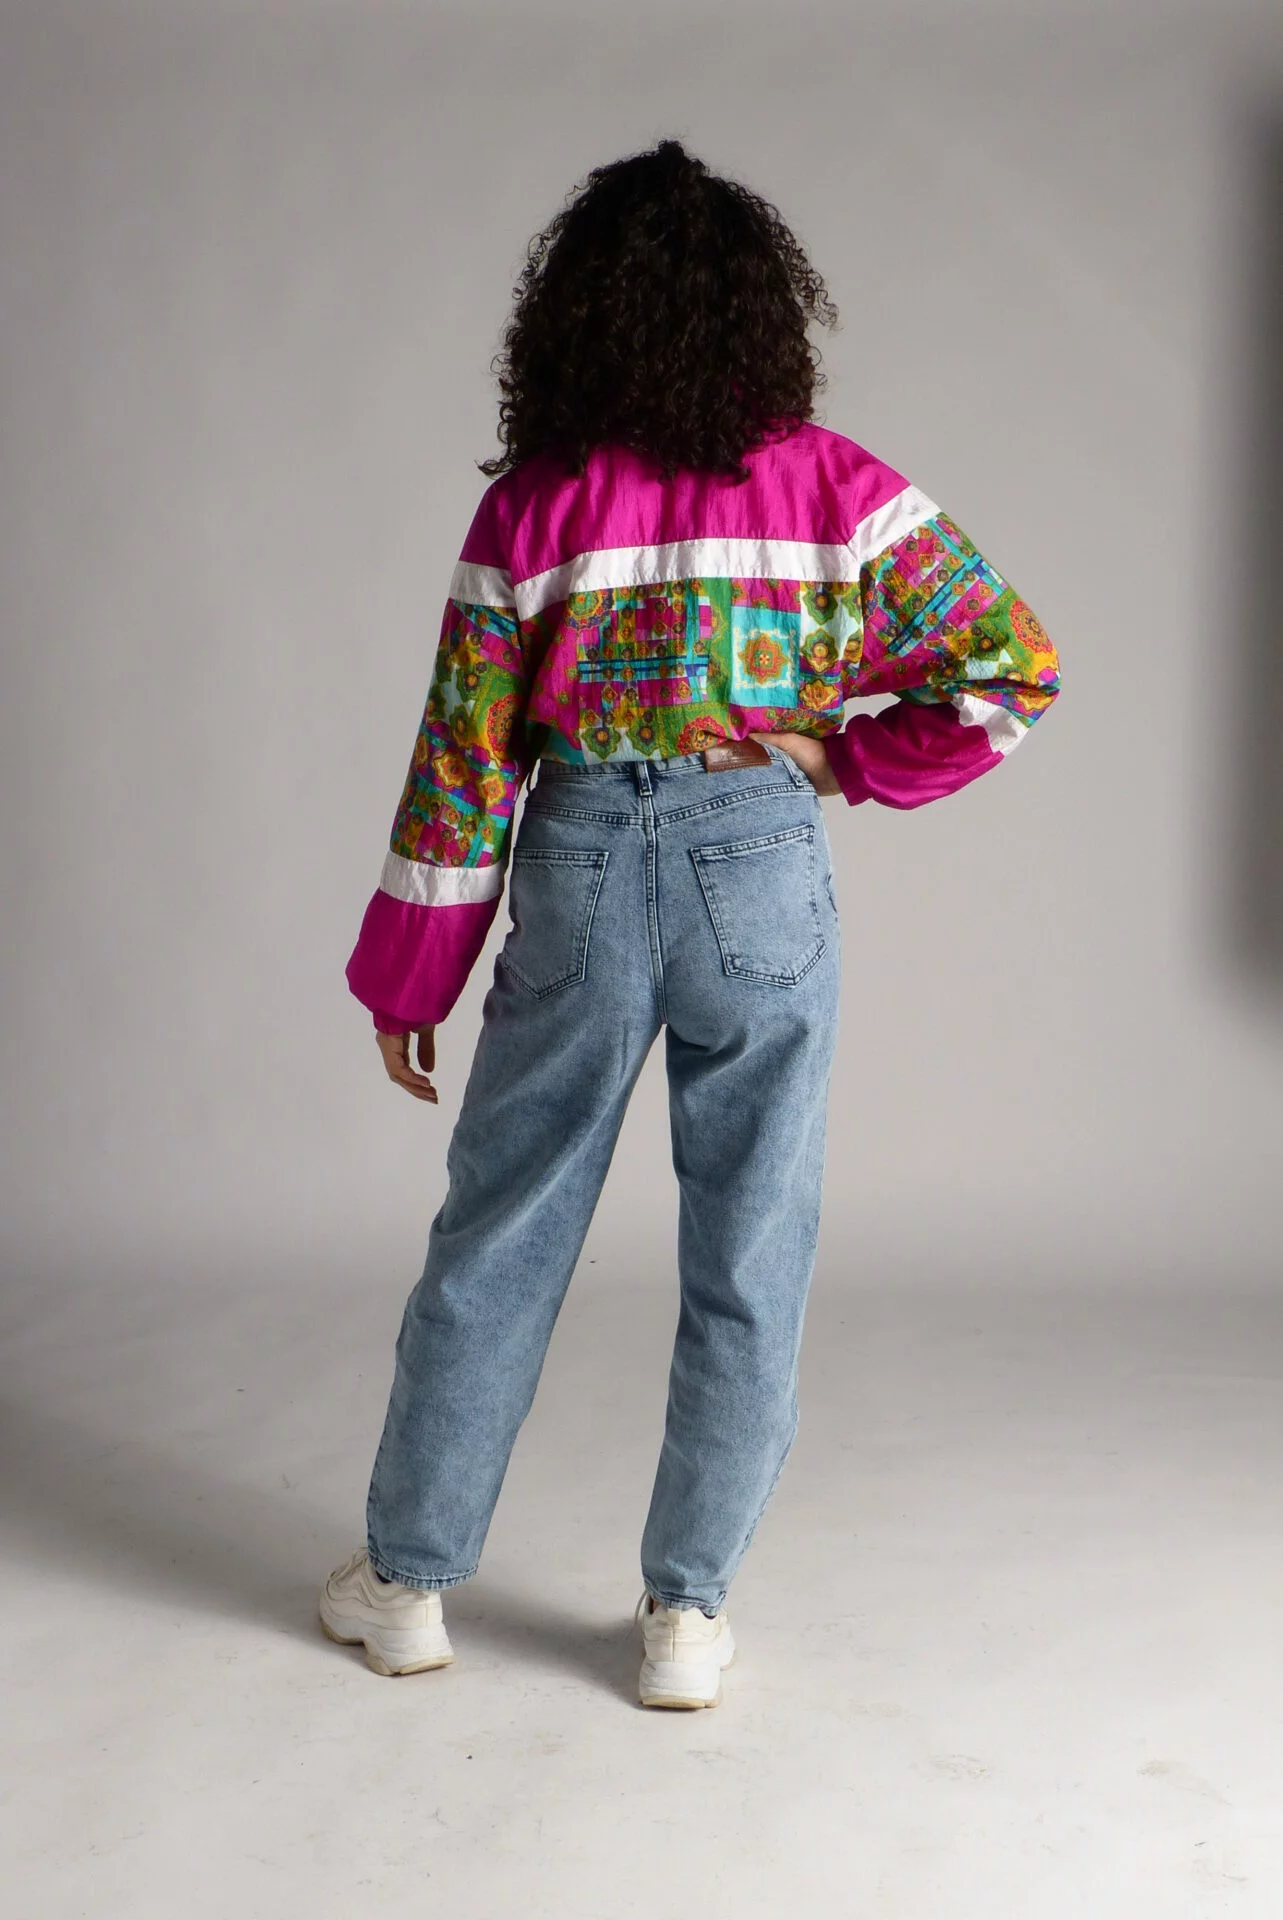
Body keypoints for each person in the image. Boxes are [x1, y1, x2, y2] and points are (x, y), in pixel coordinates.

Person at [319, 137, 1061, 1708]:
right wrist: (838, 758)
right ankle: (685, 1617)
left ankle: (407, 1588)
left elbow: (463, 762)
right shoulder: (841, 488)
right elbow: (1014, 666)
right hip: (757, 862)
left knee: (499, 1235)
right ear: (762, 312)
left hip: (579, 858)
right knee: (752, 1242)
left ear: (574, 316)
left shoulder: (535, 506)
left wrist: (412, 975)